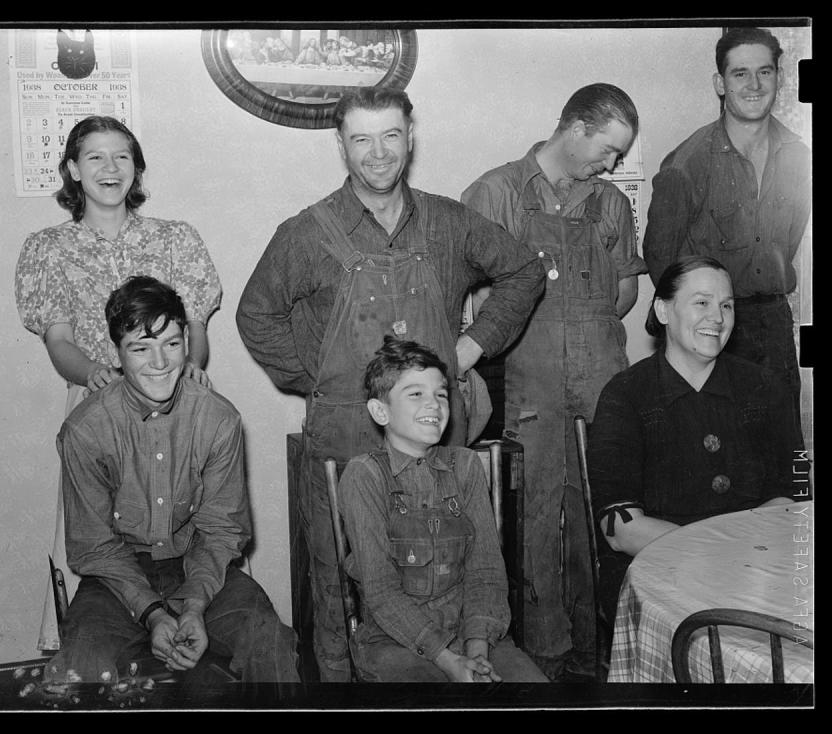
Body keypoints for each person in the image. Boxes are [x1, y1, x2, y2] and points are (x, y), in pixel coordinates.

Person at [236, 87, 545, 680]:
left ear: (410, 136)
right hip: (343, 431)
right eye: (361, 139)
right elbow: (257, 314)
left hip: (435, 428)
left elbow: (524, 273)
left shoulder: (449, 221)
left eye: (390, 136)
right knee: (336, 584)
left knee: (445, 566)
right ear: (341, 144)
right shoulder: (307, 232)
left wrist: (470, 346)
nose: (378, 153)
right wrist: (319, 382)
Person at [15, 115, 222, 652]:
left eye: (122, 157)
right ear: (72, 170)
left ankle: (189, 630)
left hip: (174, 396)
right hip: (99, 403)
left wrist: (190, 369)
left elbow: (195, 328)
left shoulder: (176, 239)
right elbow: (58, 340)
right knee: (98, 539)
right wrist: (94, 373)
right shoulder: (48, 249)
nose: (110, 168)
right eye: (95, 157)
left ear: (137, 168)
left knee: (191, 525)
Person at [460, 83, 646, 680]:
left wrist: (582, 333)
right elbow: (477, 298)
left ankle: (610, 649)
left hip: (601, 374)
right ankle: (545, 655)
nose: (612, 164)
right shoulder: (496, 193)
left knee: (610, 507)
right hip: (526, 376)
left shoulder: (610, 204)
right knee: (536, 512)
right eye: (608, 149)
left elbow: (624, 293)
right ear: (576, 128)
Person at [45, 275, 299, 684]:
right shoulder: (85, 430)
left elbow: (221, 530)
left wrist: (194, 606)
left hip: (199, 565)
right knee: (82, 663)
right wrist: (154, 613)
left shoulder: (219, 419)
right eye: (141, 348)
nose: (160, 363)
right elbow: (94, 547)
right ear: (118, 353)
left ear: (186, 342)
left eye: (172, 344)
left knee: (270, 640)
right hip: (117, 575)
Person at [588, 256, 810, 631]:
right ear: (662, 309)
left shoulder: (767, 387)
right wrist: (718, 554)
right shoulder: (625, 395)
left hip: (755, 568)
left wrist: (744, 556)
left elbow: (794, 489)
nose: (718, 318)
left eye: (726, 305)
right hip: (657, 576)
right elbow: (620, 527)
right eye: (702, 303)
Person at [337, 337, 549, 683]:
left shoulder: (464, 466)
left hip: (472, 634)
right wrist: (449, 661)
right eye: (415, 393)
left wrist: (477, 651)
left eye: (440, 394)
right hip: (396, 642)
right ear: (380, 411)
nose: (434, 404)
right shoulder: (365, 476)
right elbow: (382, 593)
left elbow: (486, 571)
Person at [642, 27, 811, 434]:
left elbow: (787, 243)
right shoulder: (688, 163)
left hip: (773, 326)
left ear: (781, 79)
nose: (754, 85)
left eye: (765, 72)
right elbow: (660, 259)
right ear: (720, 83)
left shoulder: (799, 157)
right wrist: (699, 324)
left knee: (784, 453)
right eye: (740, 74)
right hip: (710, 328)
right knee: (715, 451)